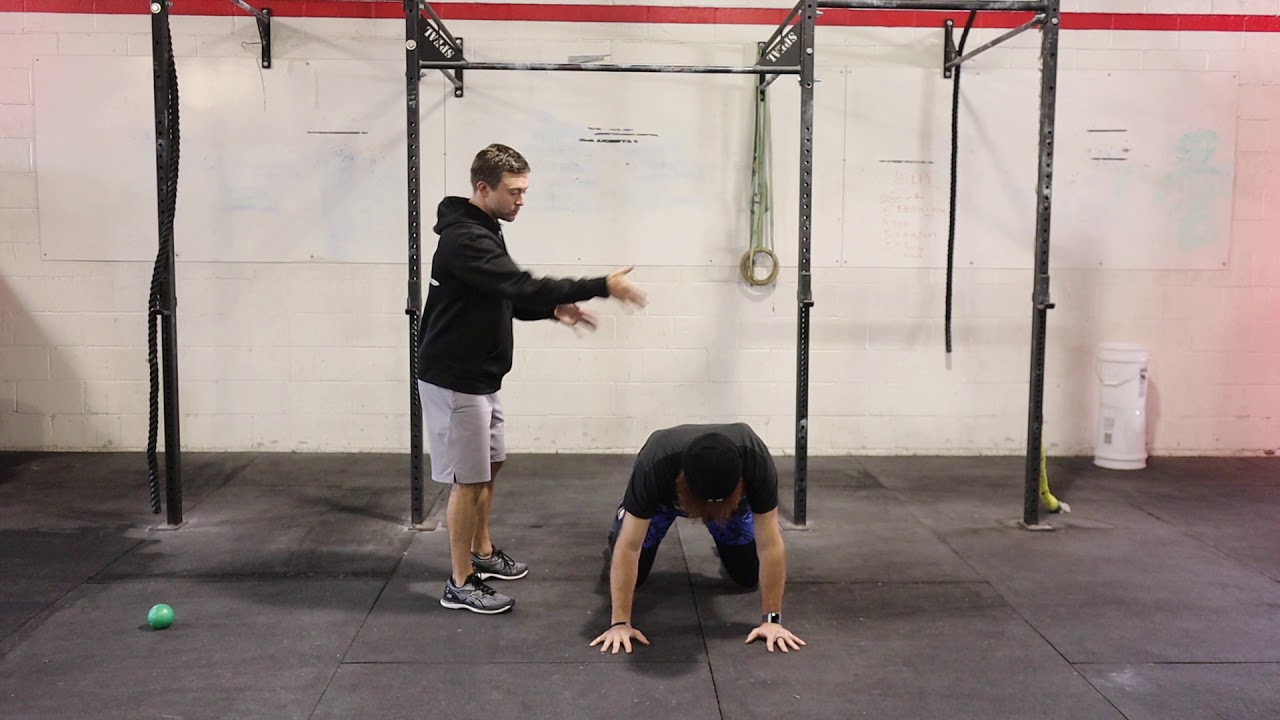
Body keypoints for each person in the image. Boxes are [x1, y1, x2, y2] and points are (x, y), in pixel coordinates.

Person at [418, 143, 647, 615]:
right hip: (456, 378)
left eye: (524, 190)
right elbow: (520, 284)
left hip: (482, 375)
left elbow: (503, 296)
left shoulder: (485, 228)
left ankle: (481, 550)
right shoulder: (465, 239)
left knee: (491, 463)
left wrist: (550, 310)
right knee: (467, 479)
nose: (521, 200)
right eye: (514, 192)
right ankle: (460, 581)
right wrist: (602, 285)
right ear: (484, 188)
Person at [592, 423, 805, 653]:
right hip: (663, 502)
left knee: (747, 576)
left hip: (731, 509)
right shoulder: (655, 463)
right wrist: (620, 623)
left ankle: (725, 520)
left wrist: (772, 621)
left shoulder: (756, 461)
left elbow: (770, 545)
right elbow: (630, 546)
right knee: (636, 573)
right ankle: (628, 512)